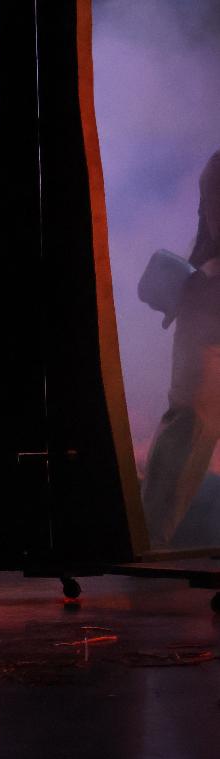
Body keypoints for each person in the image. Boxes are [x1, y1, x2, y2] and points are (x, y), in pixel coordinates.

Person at [142, 150, 220, 547]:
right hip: (209, 308)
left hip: (207, 305)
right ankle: (147, 540)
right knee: (191, 423)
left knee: (192, 422)